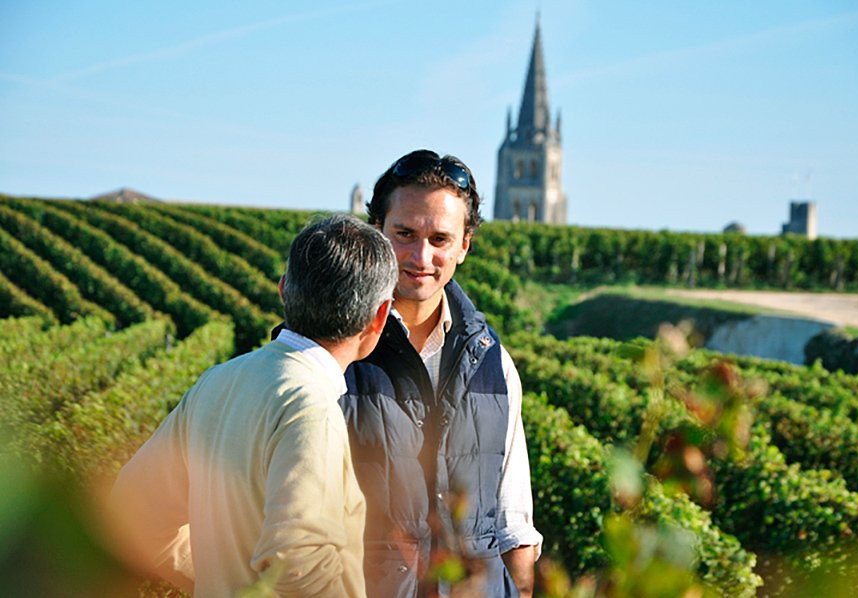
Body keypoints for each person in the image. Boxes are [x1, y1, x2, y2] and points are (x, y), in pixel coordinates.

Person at [107, 214, 398, 597]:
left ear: (283, 291)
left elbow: (131, 511)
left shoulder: (218, 381)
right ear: (379, 316)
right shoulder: (311, 405)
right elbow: (299, 562)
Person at [342, 149, 542, 596]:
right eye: (405, 234)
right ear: (377, 232)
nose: (421, 256)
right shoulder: (338, 357)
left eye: (440, 239)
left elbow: (513, 522)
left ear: (464, 246)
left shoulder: (494, 364)